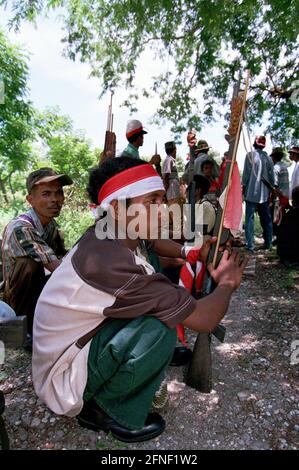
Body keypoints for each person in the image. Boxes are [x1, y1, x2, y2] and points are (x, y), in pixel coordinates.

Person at [32, 157, 247, 443]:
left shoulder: (107, 232)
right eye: (152, 202)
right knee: (159, 327)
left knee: (159, 294)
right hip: (62, 377)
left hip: (72, 349)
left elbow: (153, 243)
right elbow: (205, 320)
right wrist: (228, 283)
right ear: (118, 208)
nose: (162, 211)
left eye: (162, 199)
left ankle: (126, 370)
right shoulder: (109, 262)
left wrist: (191, 254)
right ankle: (101, 410)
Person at [1, 168, 72, 335]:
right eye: (46, 194)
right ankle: (26, 331)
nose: (55, 200)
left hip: (36, 293)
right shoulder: (22, 228)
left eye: (58, 193)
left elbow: (63, 257)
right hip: (14, 301)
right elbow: (59, 269)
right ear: (30, 200)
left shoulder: (51, 226)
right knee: (30, 264)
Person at [242, 135, 274, 252]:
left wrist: (243, 187)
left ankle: (250, 245)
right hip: (264, 193)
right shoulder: (268, 159)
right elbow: (271, 178)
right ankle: (268, 243)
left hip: (251, 192)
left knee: (249, 219)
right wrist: (271, 191)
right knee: (266, 218)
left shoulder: (250, 155)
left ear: (255, 144)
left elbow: (246, 175)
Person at [276, 186, 299, 267]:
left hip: (285, 254)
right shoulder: (290, 211)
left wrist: (285, 205)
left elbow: (287, 210)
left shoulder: (288, 211)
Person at [270, 147, 290, 239]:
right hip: (286, 195)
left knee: (276, 217)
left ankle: (276, 237)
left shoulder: (276, 168)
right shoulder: (284, 166)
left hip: (279, 197)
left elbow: (275, 185)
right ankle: (282, 236)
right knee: (283, 217)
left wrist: (271, 198)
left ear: (274, 157)